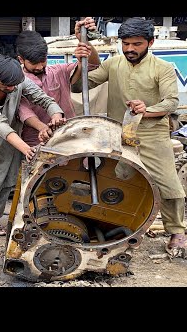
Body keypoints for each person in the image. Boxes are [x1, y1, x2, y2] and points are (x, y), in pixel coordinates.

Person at [71, 17, 186, 255]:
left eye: (137, 44)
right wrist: (84, 55)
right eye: (126, 44)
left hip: (152, 134)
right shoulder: (113, 64)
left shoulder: (162, 68)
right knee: (118, 184)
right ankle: (120, 228)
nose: (130, 49)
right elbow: (79, 85)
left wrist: (148, 109)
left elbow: (171, 102)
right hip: (119, 135)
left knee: (170, 187)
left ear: (150, 43)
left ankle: (176, 231)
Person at [0, 55, 65, 236]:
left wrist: (56, 115)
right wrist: (26, 148)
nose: (11, 88)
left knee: (7, 180)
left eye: (14, 84)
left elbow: (44, 99)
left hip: (10, 140)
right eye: (6, 85)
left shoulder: (18, 82)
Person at [17, 17, 100, 146]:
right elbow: (23, 111)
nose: (39, 67)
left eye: (43, 61)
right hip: (35, 142)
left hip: (69, 138)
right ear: (21, 60)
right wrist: (43, 128)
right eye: (34, 63)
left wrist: (84, 43)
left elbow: (93, 64)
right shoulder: (15, 82)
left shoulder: (59, 71)